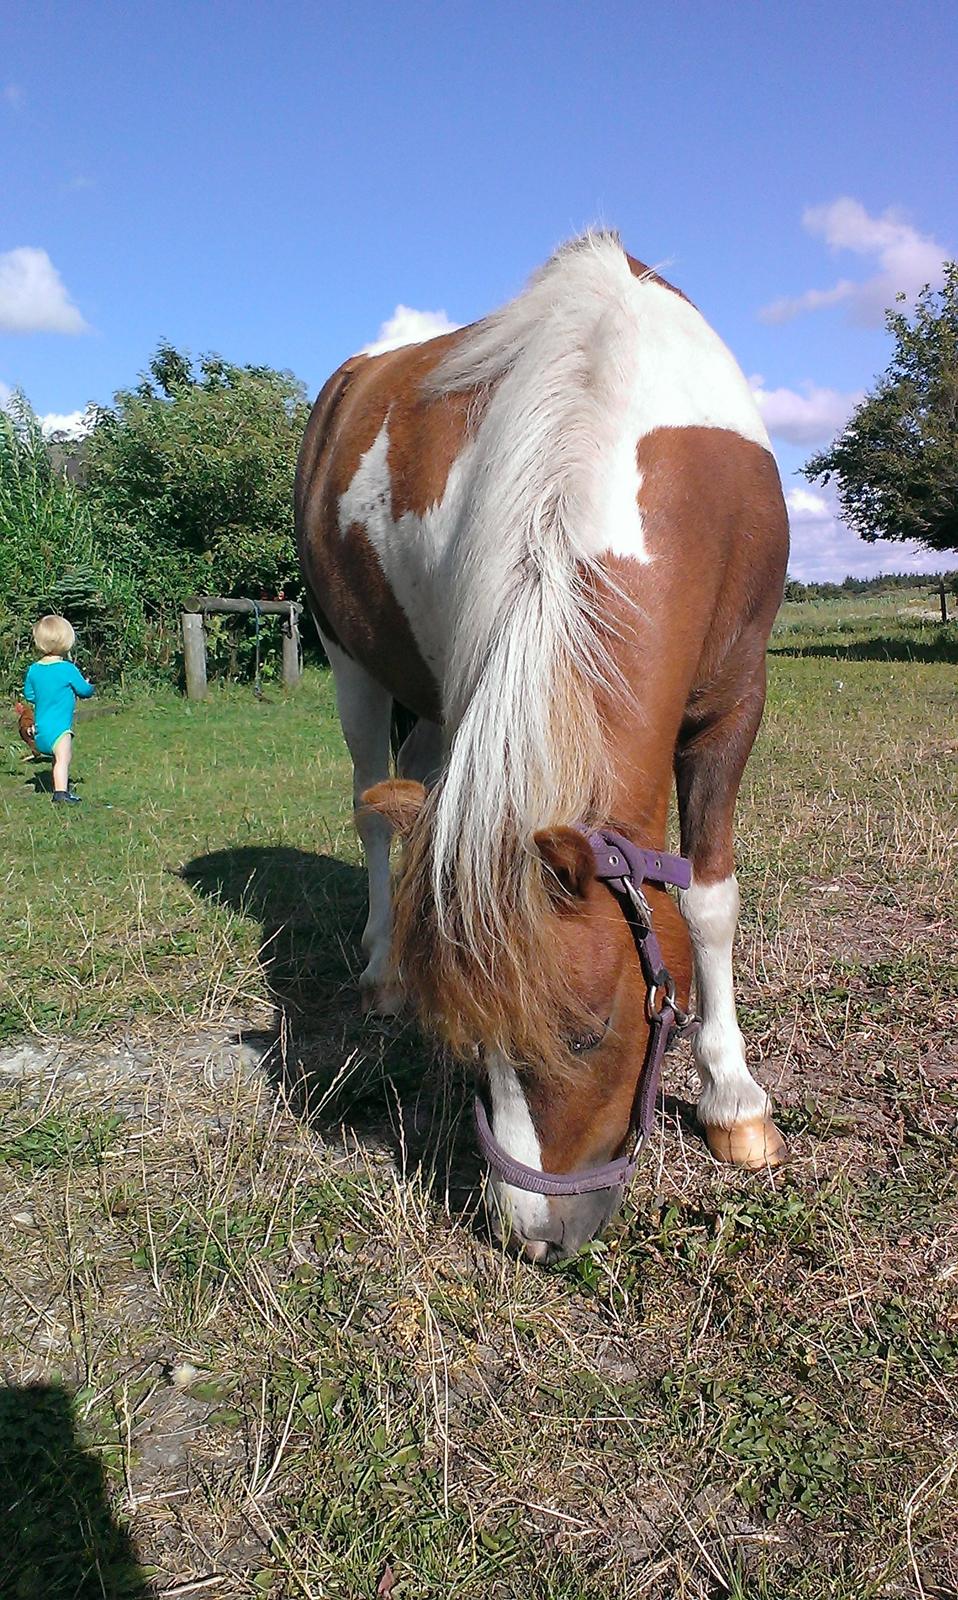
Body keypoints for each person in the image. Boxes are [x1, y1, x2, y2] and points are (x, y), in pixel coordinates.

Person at [22, 615, 95, 804]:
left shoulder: (34, 669)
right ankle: (61, 794)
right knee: (63, 758)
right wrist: (89, 685)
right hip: (59, 729)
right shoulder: (67, 669)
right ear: (65, 641)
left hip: (41, 731)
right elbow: (84, 691)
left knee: (56, 759)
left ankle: (57, 786)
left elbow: (30, 695)